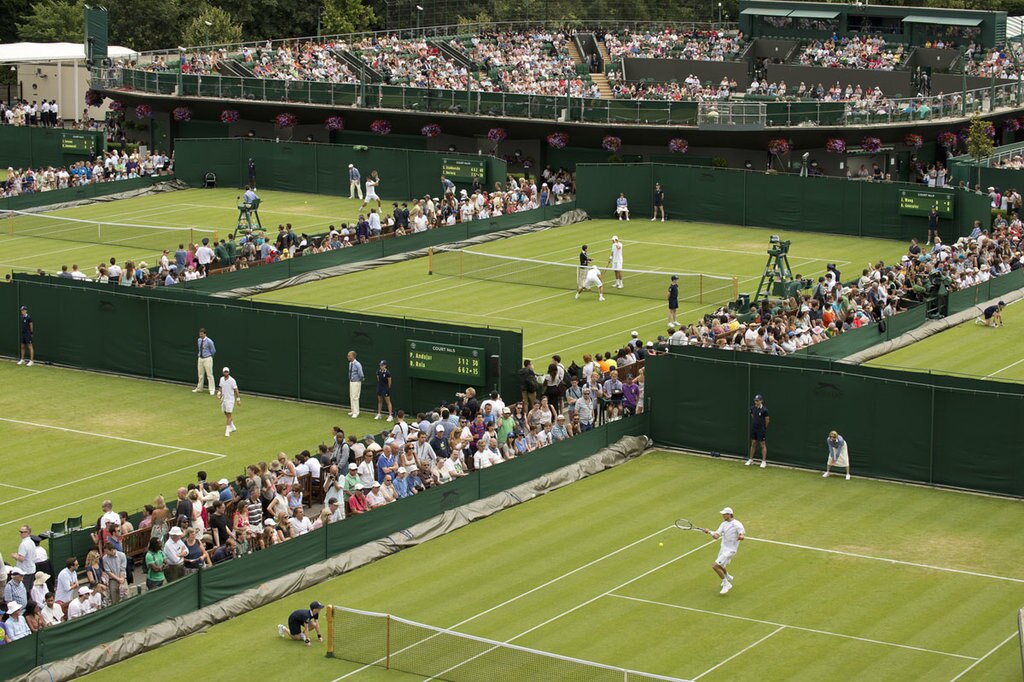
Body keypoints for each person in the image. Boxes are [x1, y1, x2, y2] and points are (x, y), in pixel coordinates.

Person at [701, 506, 745, 595]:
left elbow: (742, 534)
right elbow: (716, 536)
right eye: (723, 514)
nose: (723, 516)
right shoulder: (723, 524)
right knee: (722, 565)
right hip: (723, 548)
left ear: (730, 514)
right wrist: (709, 532)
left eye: (725, 514)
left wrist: (741, 537)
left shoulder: (737, 524)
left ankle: (726, 584)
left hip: (730, 550)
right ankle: (727, 576)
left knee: (715, 566)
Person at [745, 394, 769, 469]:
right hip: (754, 429)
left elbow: (767, 420)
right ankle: (751, 459)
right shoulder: (752, 408)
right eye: (755, 401)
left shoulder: (765, 410)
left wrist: (764, 428)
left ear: (761, 401)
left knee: (762, 445)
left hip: (761, 430)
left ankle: (764, 461)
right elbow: (753, 416)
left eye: (758, 401)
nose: (756, 402)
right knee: (753, 444)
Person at [216, 367, 240, 437]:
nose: (226, 373)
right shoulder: (221, 379)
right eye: (224, 372)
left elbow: (236, 390)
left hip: (230, 400)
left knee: (229, 414)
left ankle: (227, 430)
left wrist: (238, 399)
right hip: (223, 399)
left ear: (228, 372)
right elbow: (220, 388)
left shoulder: (232, 380)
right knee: (226, 413)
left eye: (227, 372)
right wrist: (219, 393)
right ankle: (232, 426)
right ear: (223, 372)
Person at [193, 328, 217, 395]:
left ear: (205, 334)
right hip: (200, 359)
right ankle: (199, 388)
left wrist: (209, 356)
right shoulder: (199, 340)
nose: (200, 335)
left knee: (209, 375)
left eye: (201, 334)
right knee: (200, 375)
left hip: (207, 359)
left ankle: (212, 390)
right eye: (200, 334)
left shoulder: (209, 341)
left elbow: (213, 351)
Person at [347, 350, 364, 418]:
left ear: (353, 356)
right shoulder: (350, 363)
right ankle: (353, 410)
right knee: (351, 396)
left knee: (355, 397)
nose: (348, 357)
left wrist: (360, 379)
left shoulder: (357, 364)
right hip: (351, 381)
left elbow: (361, 373)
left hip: (356, 382)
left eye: (349, 356)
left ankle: (356, 412)